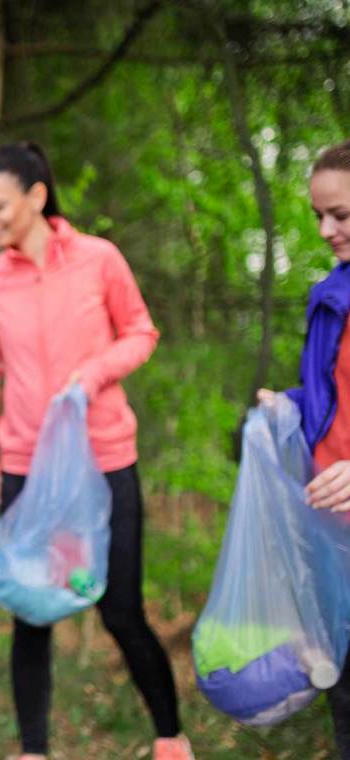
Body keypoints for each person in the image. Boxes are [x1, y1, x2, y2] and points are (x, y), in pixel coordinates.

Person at [0, 143, 193, 760]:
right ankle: (34, 750)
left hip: (105, 458)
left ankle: (171, 739)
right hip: (27, 467)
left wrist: (93, 375)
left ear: (37, 196)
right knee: (31, 611)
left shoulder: (99, 259)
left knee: (120, 610)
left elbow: (142, 331)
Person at [257, 139, 350, 758]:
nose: (324, 229)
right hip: (334, 526)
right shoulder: (332, 295)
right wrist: (289, 404)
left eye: (340, 215)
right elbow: (332, 396)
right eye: (319, 214)